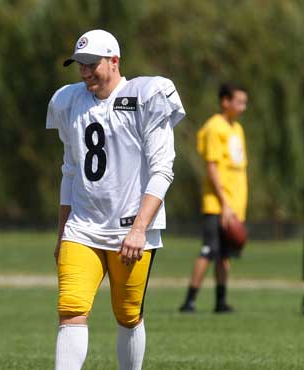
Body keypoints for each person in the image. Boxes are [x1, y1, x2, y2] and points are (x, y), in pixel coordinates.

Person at [47, 29, 185, 370]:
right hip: (82, 226)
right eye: (80, 64)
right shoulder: (69, 101)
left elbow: (162, 170)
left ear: (114, 60)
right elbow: (70, 171)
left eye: (92, 63)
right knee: (71, 307)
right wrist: (62, 231)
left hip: (129, 229)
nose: (84, 72)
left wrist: (139, 228)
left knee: (127, 314)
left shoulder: (145, 95)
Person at [179, 83, 248, 314]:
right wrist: (224, 204)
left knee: (224, 255)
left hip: (234, 205)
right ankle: (189, 301)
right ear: (225, 102)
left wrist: (236, 205)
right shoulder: (214, 127)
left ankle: (220, 301)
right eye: (239, 102)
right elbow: (212, 167)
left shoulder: (236, 128)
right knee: (209, 251)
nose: (243, 107)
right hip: (218, 203)